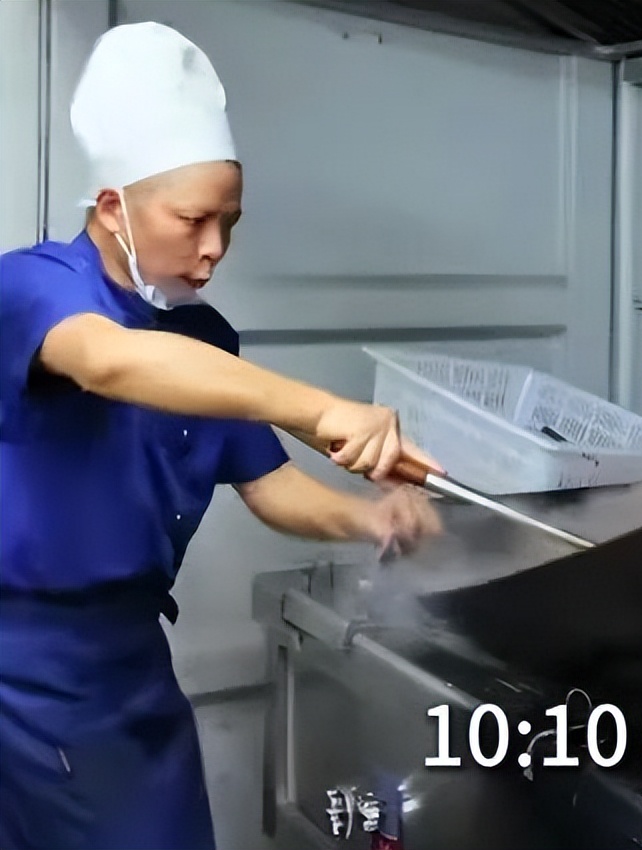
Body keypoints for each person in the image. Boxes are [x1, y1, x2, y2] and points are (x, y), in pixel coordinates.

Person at [0, 22, 445, 850]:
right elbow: (109, 361)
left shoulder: (204, 340)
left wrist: (369, 518)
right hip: (28, 673)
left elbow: (268, 484)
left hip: (132, 664)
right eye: (193, 220)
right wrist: (321, 410)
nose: (214, 251)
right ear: (113, 207)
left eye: (229, 223)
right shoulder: (29, 288)